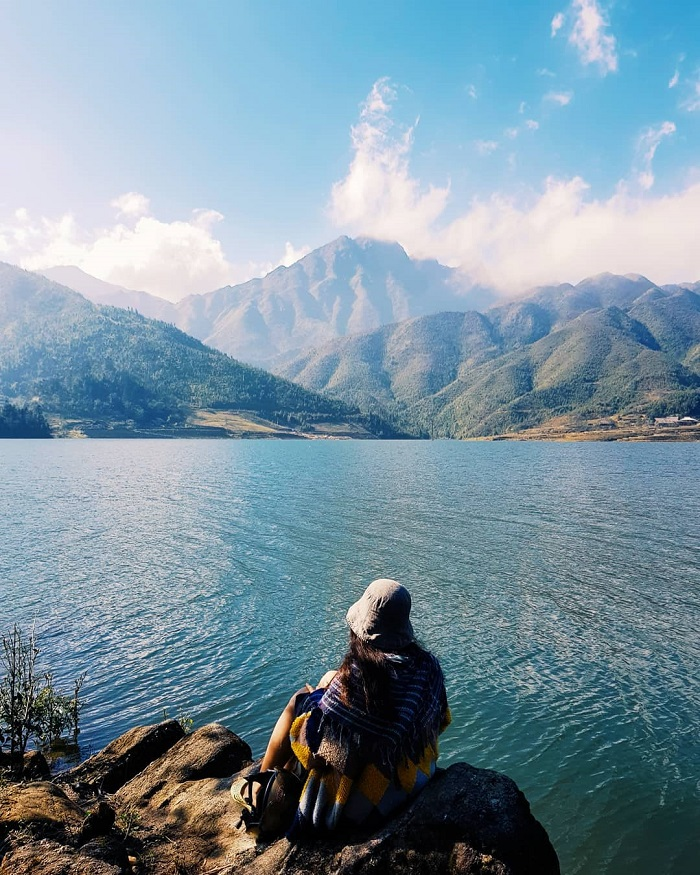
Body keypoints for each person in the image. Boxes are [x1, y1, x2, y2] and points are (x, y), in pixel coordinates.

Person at [231, 578, 450, 838]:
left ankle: (261, 784)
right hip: (413, 777)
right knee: (327, 683)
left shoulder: (358, 678)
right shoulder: (428, 668)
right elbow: (441, 720)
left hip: (369, 800)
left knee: (299, 700)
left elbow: (314, 743)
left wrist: (317, 697)